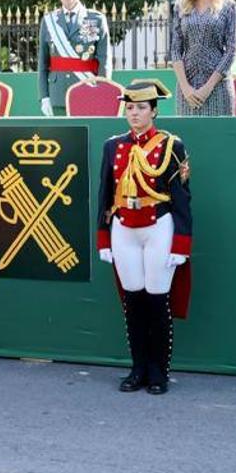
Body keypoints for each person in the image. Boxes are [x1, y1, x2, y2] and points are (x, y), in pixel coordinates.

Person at [95, 79, 192, 395]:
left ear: (153, 111)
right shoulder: (113, 146)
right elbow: (105, 194)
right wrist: (103, 238)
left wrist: (181, 243)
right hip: (123, 226)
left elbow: (181, 197)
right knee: (132, 302)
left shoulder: (170, 146)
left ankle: (159, 372)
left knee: (156, 301)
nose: (133, 113)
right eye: (130, 107)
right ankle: (137, 368)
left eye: (140, 108)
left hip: (158, 226)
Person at [171, 0, 236, 117]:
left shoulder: (229, 7)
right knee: (188, 140)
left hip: (218, 87)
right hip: (187, 89)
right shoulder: (182, 7)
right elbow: (175, 49)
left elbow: (231, 51)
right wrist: (186, 88)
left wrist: (207, 88)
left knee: (219, 139)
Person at [37, 0, 110, 116]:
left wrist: (103, 93)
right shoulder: (49, 21)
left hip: (87, 92)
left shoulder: (96, 19)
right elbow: (43, 64)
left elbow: (104, 60)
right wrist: (44, 96)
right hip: (57, 95)